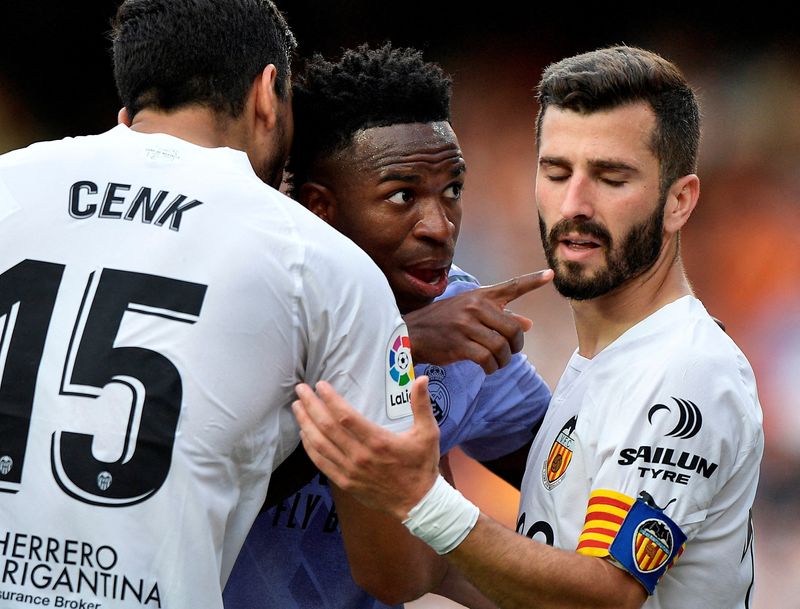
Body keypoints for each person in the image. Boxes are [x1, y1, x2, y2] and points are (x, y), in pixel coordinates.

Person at [0, 2, 448, 608]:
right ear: (268, 93)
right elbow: (396, 574)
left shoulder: (10, 182)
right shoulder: (324, 263)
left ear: (128, 108)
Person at [292, 45, 765, 609]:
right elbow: (478, 571)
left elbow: (604, 596)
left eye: (612, 178)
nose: (575, 203)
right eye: (557, 172)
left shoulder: (685, 371)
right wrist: (399, 354)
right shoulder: (604, 364)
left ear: (679, 201)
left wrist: (422, 500)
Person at [223, 43, 551, 609]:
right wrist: (394, 344)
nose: (439, 224)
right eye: (401, 196)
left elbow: (567, 484)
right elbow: (206, 482)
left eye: (452, 189)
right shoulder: (248, 298)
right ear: (319, 208)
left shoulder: (463, 314)